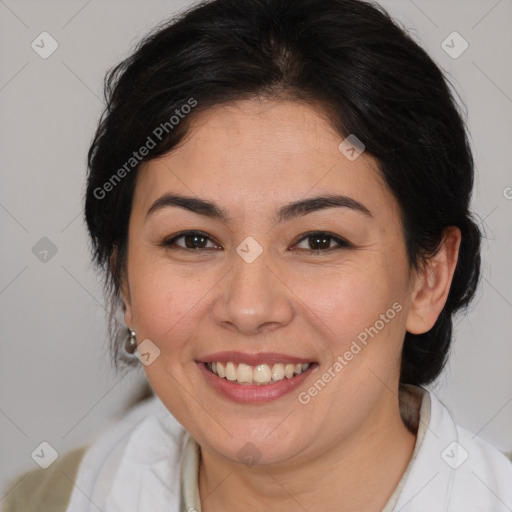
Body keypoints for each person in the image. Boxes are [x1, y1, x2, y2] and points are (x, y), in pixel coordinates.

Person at [3, 0, 511, 510]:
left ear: (429, 278)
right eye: (193, 240)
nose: (248, 309)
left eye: (319, 241)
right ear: (122, 277)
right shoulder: (48, 499)